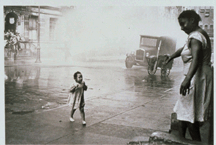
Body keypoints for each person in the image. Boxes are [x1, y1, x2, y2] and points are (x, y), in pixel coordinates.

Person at [166, 10, 213, 142]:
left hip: (195, 78)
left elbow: (196, 59)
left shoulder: (196, 37)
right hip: (198, 77)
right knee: (184, 115)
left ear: (192, 20)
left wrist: (187, 79)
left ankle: (193, 142)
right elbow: (185, 48)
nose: (181, 28)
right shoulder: (196, 34)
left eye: (183, 24)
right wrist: (171, 56)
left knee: (190, 117)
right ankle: (181, 140)